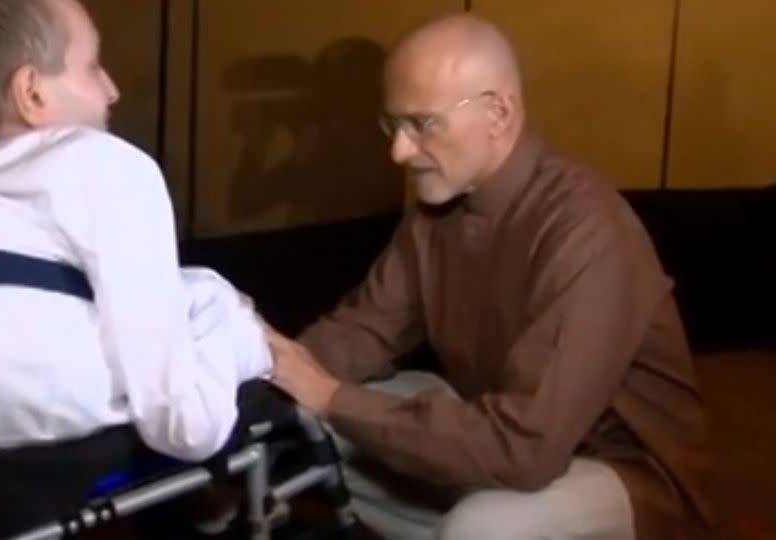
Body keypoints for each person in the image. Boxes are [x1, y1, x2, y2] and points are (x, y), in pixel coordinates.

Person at [266, 13, 716, 540]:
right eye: (394, 126)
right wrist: (260, 370)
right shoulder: (439, 206)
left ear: (498, 113)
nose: (399, 152)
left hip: (622, 472)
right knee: (307, 423)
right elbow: (366, 329)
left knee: (483, 527)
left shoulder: (588, 229)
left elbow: (525, 448)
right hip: (507, 434)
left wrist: (328, 397)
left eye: (422, 124)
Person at [0, 0, 272, 463]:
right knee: (213, 300)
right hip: (27, 427)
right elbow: (186, 427)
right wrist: (234, 332)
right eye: (92, 66)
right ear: (32, 93)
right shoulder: (106, 167)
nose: (111, 90)